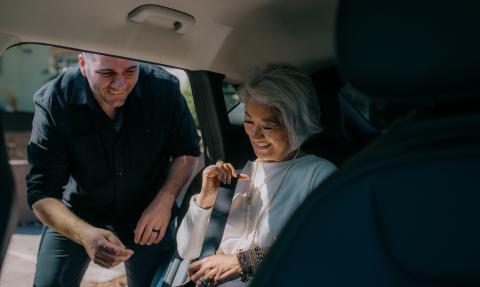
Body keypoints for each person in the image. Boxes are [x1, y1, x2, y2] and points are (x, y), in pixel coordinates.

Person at [27, 52, 200, 287]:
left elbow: (187, 151)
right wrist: (85, 234)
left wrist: (166, 199)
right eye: (106, 73)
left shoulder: (164, 89)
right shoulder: (54, 100)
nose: (120, 85)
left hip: (148, 209)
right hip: (78, 212)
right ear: (82, 64)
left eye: (130, 71)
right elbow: (41, 194)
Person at [176, 64, 337, 286]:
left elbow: (326, 250)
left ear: (296, 125)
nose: (254, 134)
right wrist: (205, 199)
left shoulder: (319, 175)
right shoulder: (237, 173)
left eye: (268, 126)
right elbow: (186, 250)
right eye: (249, 121)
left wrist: (245, 261)